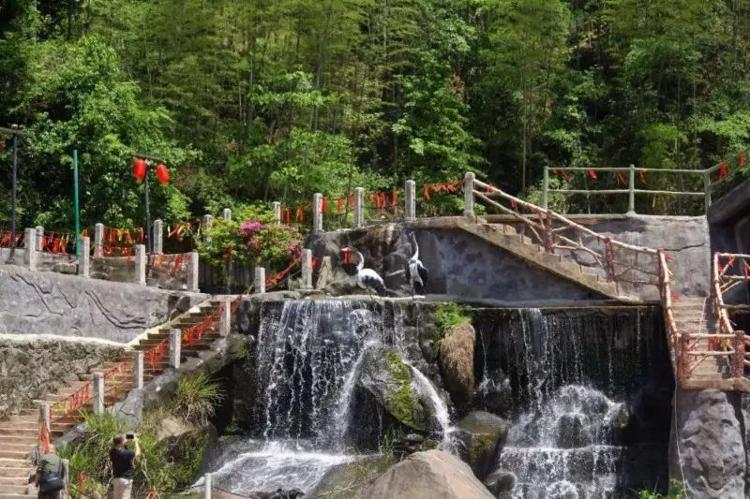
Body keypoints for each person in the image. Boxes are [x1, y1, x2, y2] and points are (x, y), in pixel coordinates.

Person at [110, 434, 141, 499]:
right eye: (124, 439)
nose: (126, 440)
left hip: (116, 479)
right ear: (121, 442)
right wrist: (136, 442)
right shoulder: (126, 453)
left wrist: (126, 439)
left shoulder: (112, 451)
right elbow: (138, 453)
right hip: (126, 480)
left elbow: (120, 445)